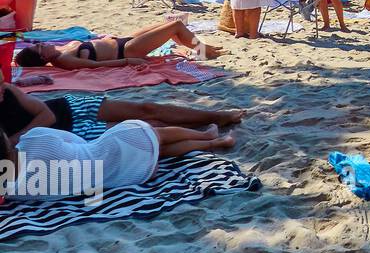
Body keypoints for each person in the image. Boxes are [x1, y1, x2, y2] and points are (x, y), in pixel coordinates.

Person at [1, 116, 237, 199]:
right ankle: (207, 136)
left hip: (126, 176)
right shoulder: (34, 138)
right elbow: (75, 140)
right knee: (157, 136)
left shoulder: (17, 190)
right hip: (105, 151)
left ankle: (213, 143)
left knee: (158, 150)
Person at [1, 82, 242, 141]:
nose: (2, 89)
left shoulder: (9, 90)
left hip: (67, 107)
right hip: (68, 132)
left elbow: (47, 115)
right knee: (147, 128)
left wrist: (13, 139)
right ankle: (200, 130)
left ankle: (214, 116)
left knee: (146, 108)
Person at [14, 20, 222, 70]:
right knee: (175, 25)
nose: (43, 44)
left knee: (167, 25)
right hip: (127, 50)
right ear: (42, 58)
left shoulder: (59, 52)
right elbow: (96, 67)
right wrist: (130, 61)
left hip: (123, 40)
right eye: (40, 48)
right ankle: (206, 52)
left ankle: (206, 48)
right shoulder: (64, 60)